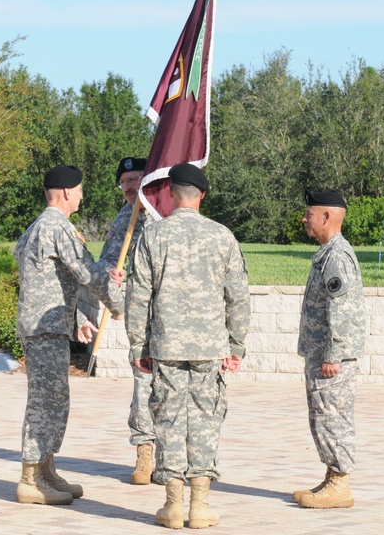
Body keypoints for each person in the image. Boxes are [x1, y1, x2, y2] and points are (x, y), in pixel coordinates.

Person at [125, 163, 251, 529]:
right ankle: (200, 506)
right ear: (202, 196)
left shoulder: (154, 235)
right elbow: (238, 298)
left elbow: (138, 296)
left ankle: (173, 506)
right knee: (205, 423)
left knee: (167, 422)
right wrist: (236, 345)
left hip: (165, 347)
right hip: (210, 348)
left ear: (170, 193)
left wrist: (138, 346)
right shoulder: (222, 236)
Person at [13, 165, 126, 506]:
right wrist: (119, 303)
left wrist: (75, 315)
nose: (81, 196)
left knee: (55, 399)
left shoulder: (39, 226)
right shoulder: (57, 227)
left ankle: (46, 470)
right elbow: (84, 271)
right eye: (79, 190)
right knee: (45, 402)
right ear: (65, 192)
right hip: (44, 329)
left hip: (49, 325)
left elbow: (50, 278)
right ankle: (30, 478)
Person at [76, 156, 157, 484]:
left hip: (175, 312)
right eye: (124, 181)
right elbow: (108, 262)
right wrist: (114, 285)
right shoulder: (125, 217)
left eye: (136, 179)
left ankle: (172, 455)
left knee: (176, 384)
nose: (129, 186)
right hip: (140, 312)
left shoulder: (166, 212)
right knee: (143, 377)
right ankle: (144, 451)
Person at [293, 190, 367, 509]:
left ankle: (340, 484)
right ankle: (331, 476)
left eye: (309, 214)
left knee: (333, 416)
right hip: (323, 352)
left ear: (326, 216)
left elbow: (342, 309)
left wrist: (333, 355)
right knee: (324, 415)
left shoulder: (337, 255)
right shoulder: (329, 252)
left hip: (331, 357)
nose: (304, 219)